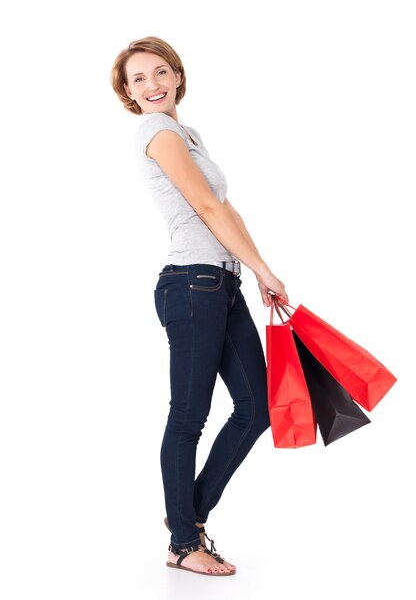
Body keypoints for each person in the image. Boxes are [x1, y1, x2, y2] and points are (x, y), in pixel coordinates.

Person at [110, 36, 288, 577]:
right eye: (138, 79)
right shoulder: (156, 131)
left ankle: (185, 523)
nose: (152, 85)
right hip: (190, 285)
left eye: (160, 72)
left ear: (178, 76)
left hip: (222, 282)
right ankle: (185, 538)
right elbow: (206, 206)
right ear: (127, 93)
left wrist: (258, 269)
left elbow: (227, 209)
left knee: (257, 409)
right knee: (189, 416)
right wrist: (260, 268)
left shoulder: (189, 134)